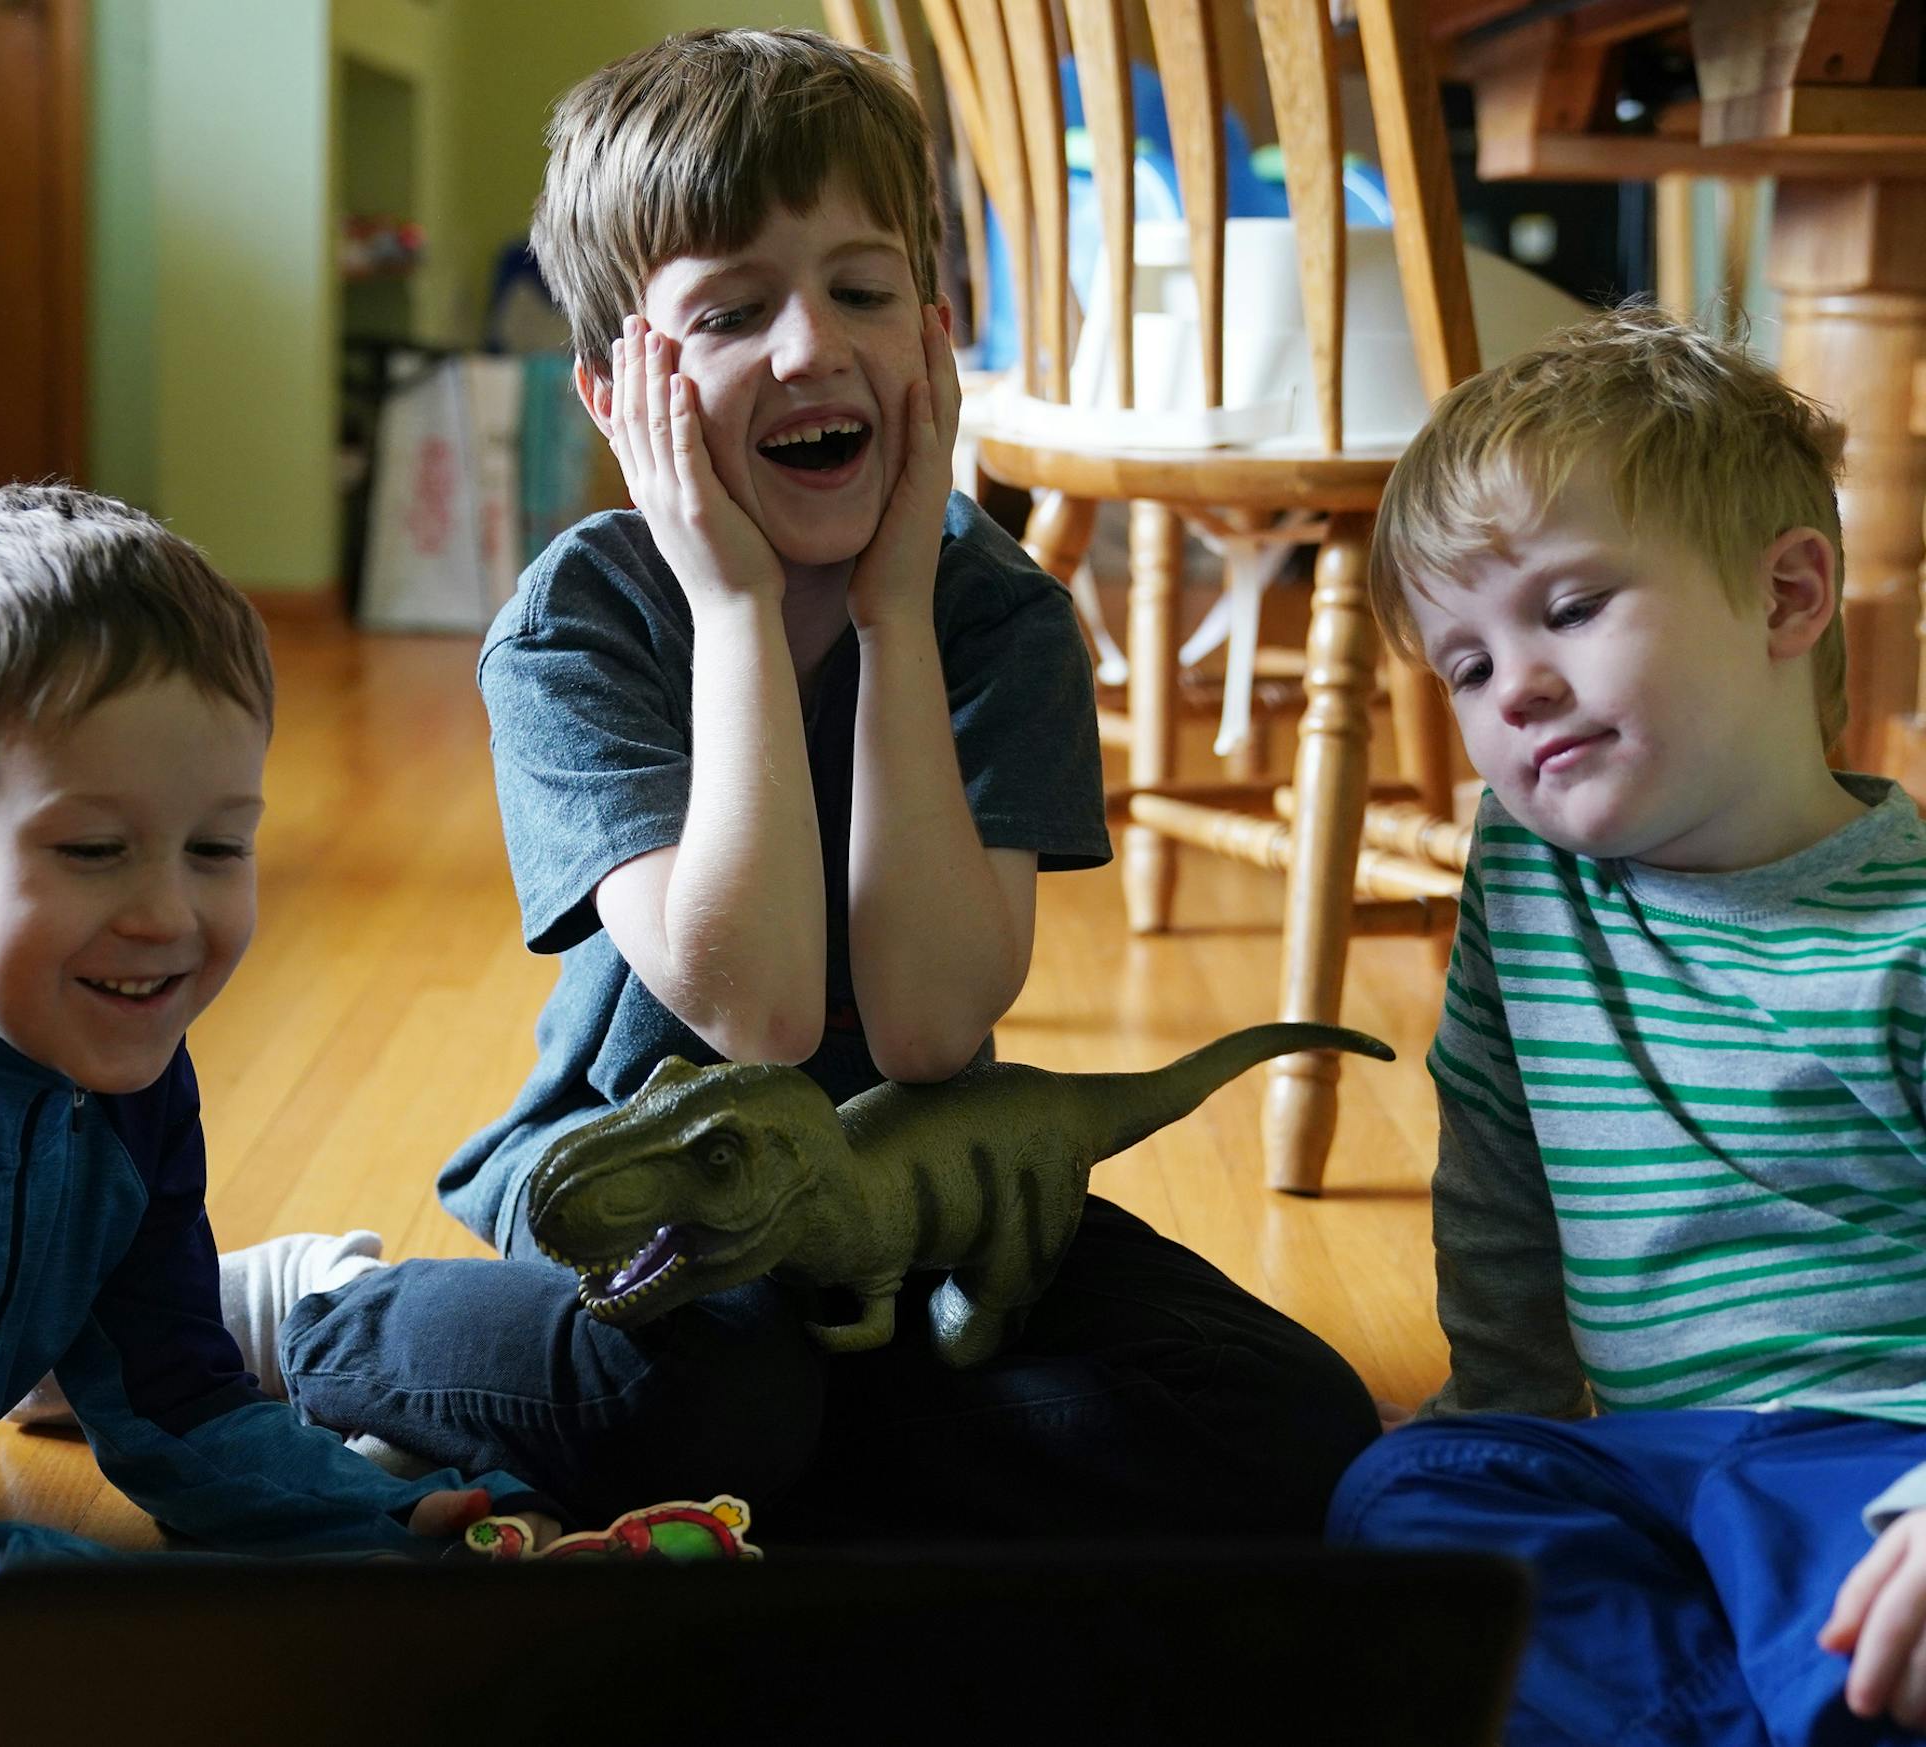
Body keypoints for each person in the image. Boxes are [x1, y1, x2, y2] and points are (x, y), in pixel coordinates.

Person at [270, 26, 1379, 1543]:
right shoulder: (579, 624)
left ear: (930, 341)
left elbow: (929, 1025)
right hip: (643, 1180)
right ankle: (325, 1313)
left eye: (860, 290)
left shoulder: (998, 619)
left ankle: (794, 1466)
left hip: (914, 1197)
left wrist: (895, 613)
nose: (811, 347)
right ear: (615, 394)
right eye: (732, 311)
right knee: (706, 1405)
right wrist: (733, 612)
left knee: (1301, 1430)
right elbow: (760, 1013)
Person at [0, 485, 551, 1704]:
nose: (169, 917)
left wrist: (395, 1525)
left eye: (218, 846)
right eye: (92, 849)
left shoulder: (109, 1035)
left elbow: (175, 1396)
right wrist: (262, 1639)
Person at [1328, 306, 1926, 1744]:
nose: (1514, 683)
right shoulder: (1528, 875)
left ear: (1789, 598)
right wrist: (1508, 1410)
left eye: (1571, 608)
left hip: (1869, 1457)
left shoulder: (1905, 934)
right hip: (1643, 1455)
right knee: (1405, 1495)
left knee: (1851, 1610)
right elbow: (1499, 1174)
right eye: (1465, 665)